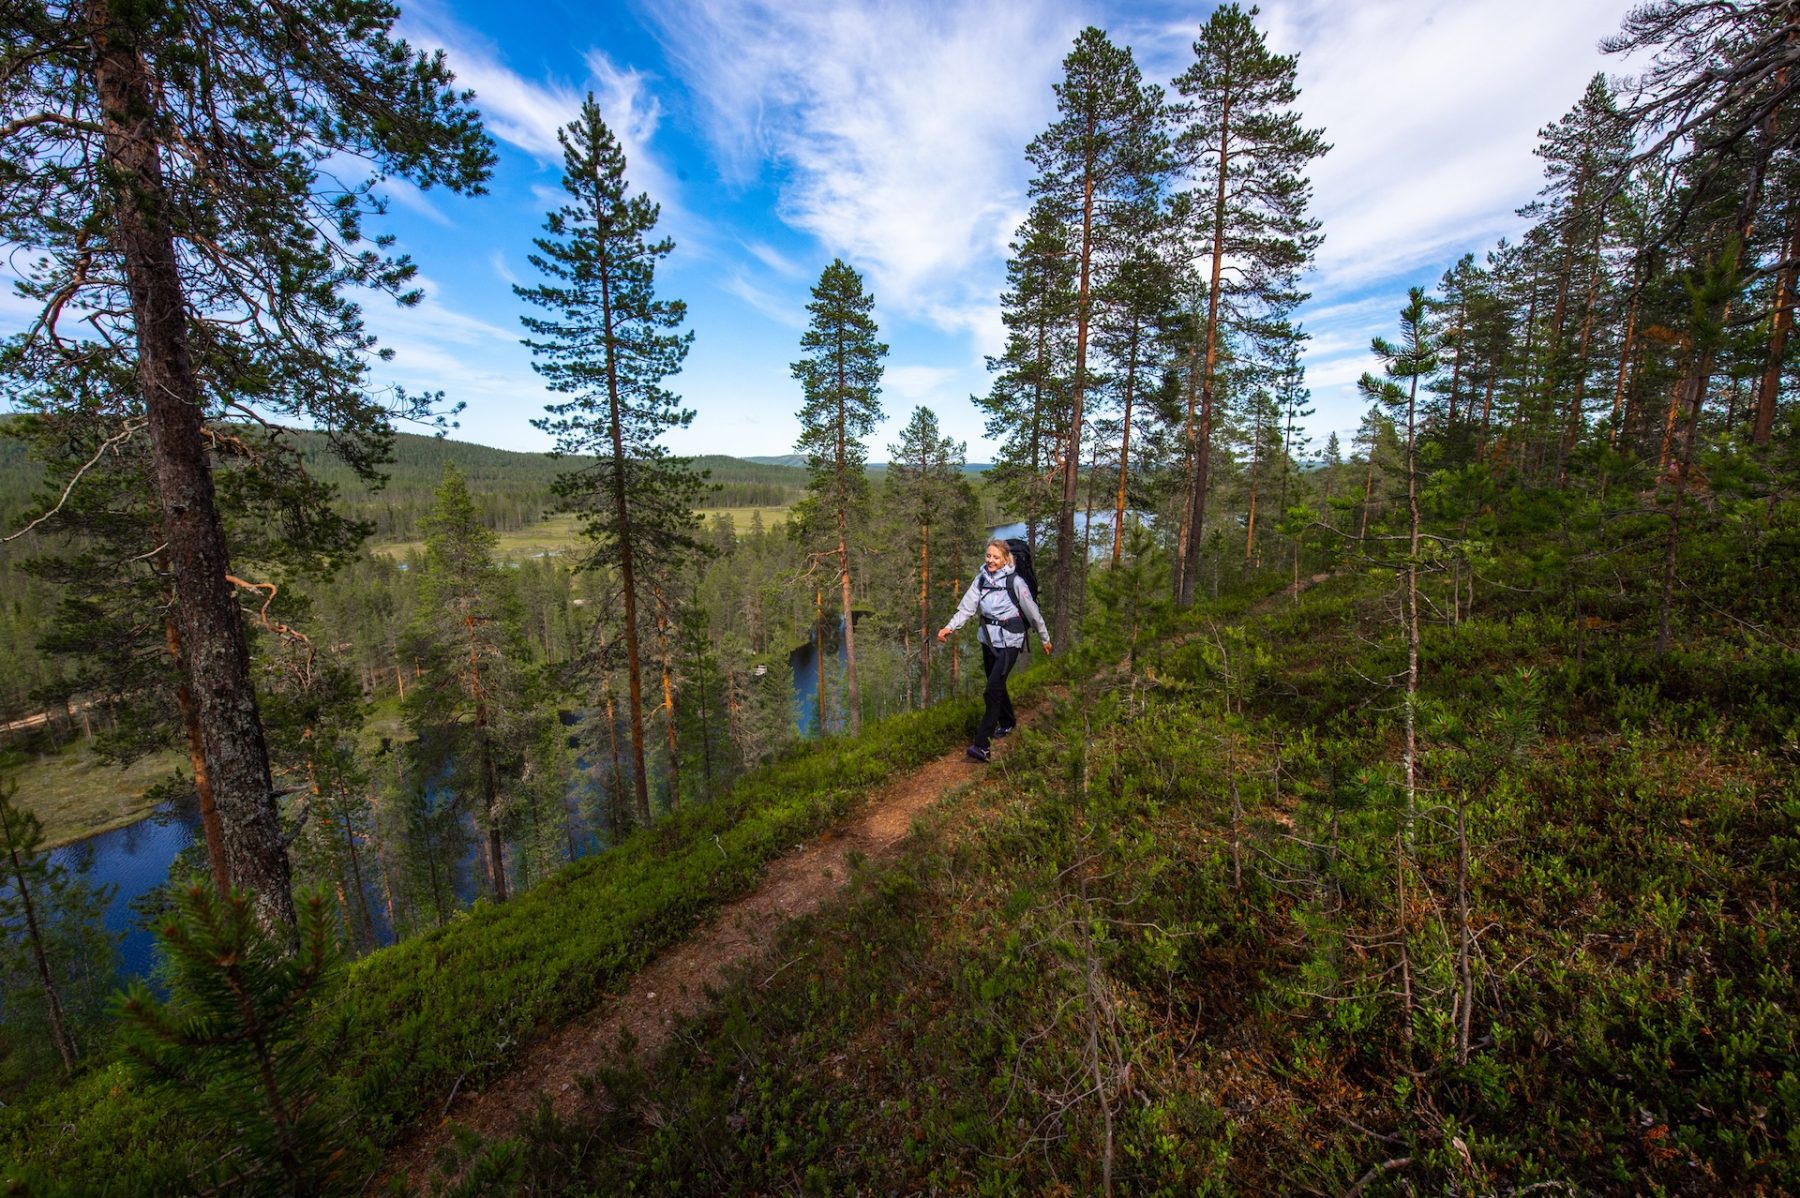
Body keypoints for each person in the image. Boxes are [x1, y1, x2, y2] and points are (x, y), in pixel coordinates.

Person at [938, 539, 1052, 762]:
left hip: (1010, 640)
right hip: (988, 640)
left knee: (991, 690)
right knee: (995, 683)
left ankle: (982, 746)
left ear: (1005, 559)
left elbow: (1033, 612)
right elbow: (967, 608)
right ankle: (1008, 722)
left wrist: (1045, 638)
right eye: (988, 555)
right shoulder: (981, 579)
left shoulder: (1016, 582)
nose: (990, 560)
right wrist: (949, 627)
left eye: (996, 557)